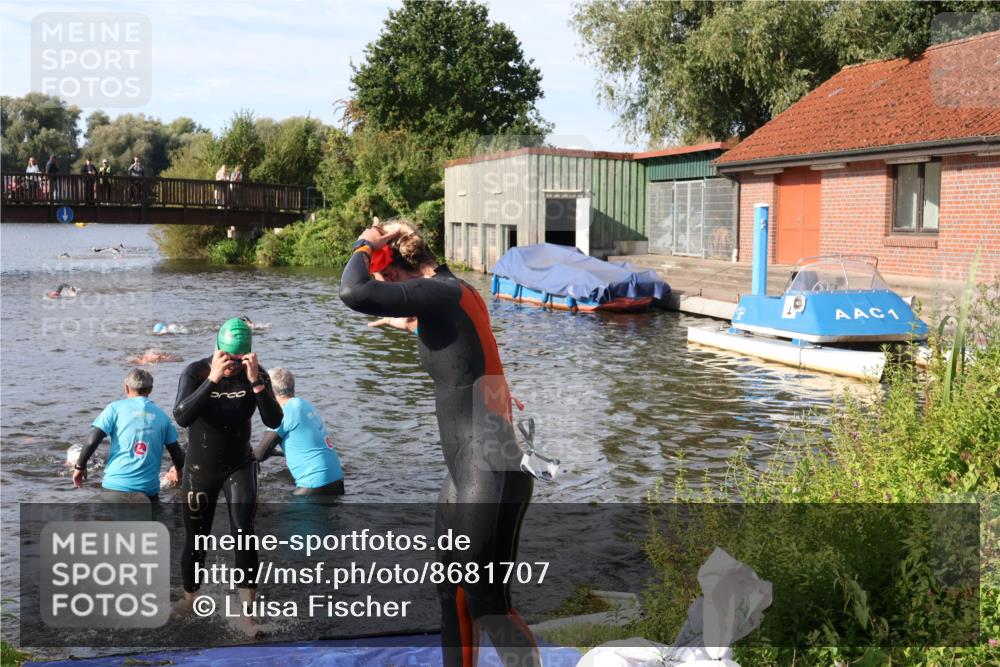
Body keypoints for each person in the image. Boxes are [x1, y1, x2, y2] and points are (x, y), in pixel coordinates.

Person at [339, 220, 540, 667]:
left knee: (489, 603)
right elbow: (470, 351)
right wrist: (410, 325)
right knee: (453, 597)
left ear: (391, 274)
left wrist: (364, 245)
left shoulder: (445, 292)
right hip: (464, 474)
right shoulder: (451, 297)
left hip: (492, 469)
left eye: (384, 279)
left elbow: (353, 293)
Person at [172, 317, 282, 635]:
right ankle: (190, 598)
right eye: (228, 359)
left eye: (239, 359)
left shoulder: (254, 374)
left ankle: (247, 614)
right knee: (196, 539)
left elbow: (274, 419)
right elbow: (181, 416)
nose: (233, 365)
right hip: (199, 469)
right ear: (217, 349)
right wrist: (213, 379)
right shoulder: (195, 372)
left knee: (245, 533)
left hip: (239, 465)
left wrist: (258, 383)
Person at [72, 368, 185, 506]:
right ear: (150, 390)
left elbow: (92, 441)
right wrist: (178, 470)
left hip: (113, 488)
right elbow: (177, 455)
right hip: (147, 493)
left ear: (126, 387)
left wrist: (80, 467)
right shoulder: (163, 417)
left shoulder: (114, 409)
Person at [253, 367, 345, 496]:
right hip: (336, 479)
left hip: (314, 483)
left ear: (269, 390)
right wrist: (275, 452)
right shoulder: (304, 404)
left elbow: (259, 455)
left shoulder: (284, 411)